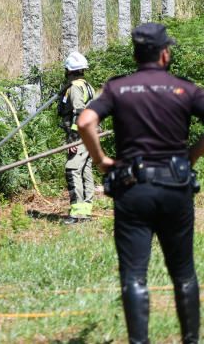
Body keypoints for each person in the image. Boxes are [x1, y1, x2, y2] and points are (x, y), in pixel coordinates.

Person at [78, 23, 204, 344]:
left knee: (134, 274)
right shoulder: (184, 89)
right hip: (175, 188)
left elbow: (85, 121)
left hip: (133, 188)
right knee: (184, 273)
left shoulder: (118, 88)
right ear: (165, 54)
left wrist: (102, 160)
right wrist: (192, 154)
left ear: (136, 54)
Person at [58, 50, 96, 224]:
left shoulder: (74, 88)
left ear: (68, 70)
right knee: (85, 170)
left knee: (72, 169)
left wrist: (73, 138)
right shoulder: (87, 86)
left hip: (80, 136)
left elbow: (79, 112)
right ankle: (85, 210)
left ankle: (77, 213)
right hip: (90, 134)